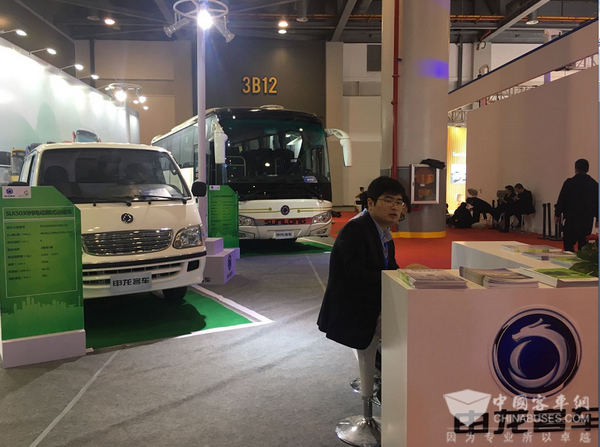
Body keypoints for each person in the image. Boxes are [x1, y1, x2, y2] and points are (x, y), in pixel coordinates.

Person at [317, 176, 408, 402]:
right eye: (388, 200)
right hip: (356, 310)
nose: (395, 207)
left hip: (374, 303)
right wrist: (401, 276)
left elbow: (390, 269)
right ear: (370, 203)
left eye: (399, 202)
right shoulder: (355, 230)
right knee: (411, 330)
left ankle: (388, 380)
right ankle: (389, 391)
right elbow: (356, 276)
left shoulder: (383, 233)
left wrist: (408, 275)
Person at [554, 159, 599, 252]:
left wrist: (557, 213)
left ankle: (569, 259)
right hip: (586, 219)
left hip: (571, 219)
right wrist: (598, 218)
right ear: (587, 169)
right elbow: (596, 202)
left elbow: (562, 199)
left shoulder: (569, 182)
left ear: (576, 169)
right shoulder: (594, 184)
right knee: (583, 245)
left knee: (568, 244)